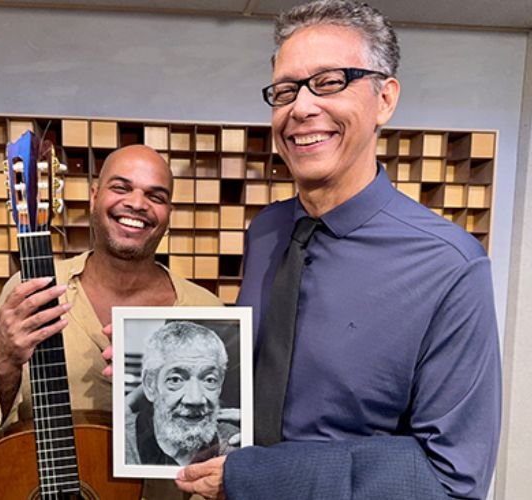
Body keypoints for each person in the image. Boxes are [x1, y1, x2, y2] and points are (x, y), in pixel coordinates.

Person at [173, 1, 501, 499]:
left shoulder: (450, 266)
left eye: (330, 81)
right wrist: (154, 353)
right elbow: (259, 389)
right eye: (285, 90)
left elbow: (451, 479)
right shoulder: (267, 232)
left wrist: (257, 478)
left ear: (385, 99)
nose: (301, 107)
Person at [0, 143, 222, 499]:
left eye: (155, 195)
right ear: (95, 196)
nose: (137, 203)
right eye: (121, 187)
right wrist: (3, 357)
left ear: (168, 212)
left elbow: (214, 457)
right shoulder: (32, 291)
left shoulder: (204, 313)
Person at [126, 321, 239, 466]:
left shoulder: (235, 441)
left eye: (209, 380)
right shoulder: (121, 444)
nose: (195, 399)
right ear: (150, 385)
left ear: (220, 385)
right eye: (176, 379)